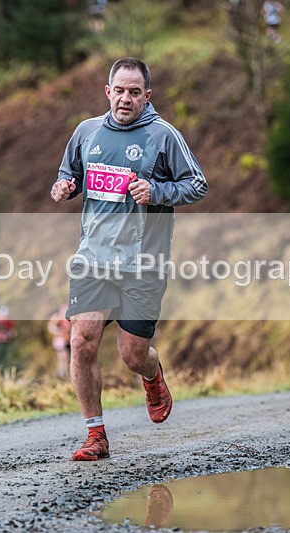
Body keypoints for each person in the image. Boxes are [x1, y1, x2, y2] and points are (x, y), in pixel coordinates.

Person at [51, 57, 208, 461]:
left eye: (134, 92)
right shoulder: (87, 131)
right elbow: (70, 172)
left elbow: (196, 184)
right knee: (82, 341)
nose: (125, 99)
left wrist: (156, 192)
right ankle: (95, 435)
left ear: (147, 96)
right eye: (119, 90)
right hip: (93, 259)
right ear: (108, 91)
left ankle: (152, 376)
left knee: (131, 354)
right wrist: (64, 186)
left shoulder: (164, 136)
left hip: (144, 263)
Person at [47, 303, 71, 380]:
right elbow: (51, 327)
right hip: (60, 341)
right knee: (63, 357)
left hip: (68, 340)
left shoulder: (69, 318)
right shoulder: (57, 317)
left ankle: (65, 373)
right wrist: (60, 331)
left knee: (67, 358)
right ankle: (63, 374)